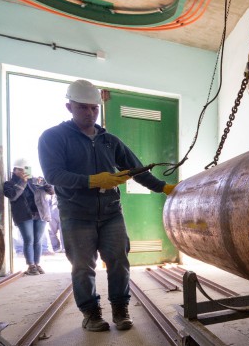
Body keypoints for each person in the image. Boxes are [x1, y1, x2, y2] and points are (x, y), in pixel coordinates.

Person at [38, 79, 177, 332]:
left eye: (94, 108)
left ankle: (120, 309)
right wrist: (92, 181)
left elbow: (136, 169)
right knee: (82, 267)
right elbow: (53, 175)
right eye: (83, 108)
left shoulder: (109, 141)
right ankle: (91, 313)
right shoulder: (53, 137)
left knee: (119, 260)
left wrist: (163, 188)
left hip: (111, 213)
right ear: (69, 107)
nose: (90, 113)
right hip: (76, 214)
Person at [3, 160, 55, 275]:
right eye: (20, 169)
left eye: (26, 169)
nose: (23, 172)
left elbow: (51, 191)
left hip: (40, 213)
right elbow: (12, 196)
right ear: (14, 170)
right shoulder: (9, 184)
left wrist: (46, 183)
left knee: (38, 240)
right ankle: (31, 265)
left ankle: (37, 264)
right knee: (29, 240)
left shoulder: (36, 181)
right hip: (24, 215)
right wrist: (22, 182)